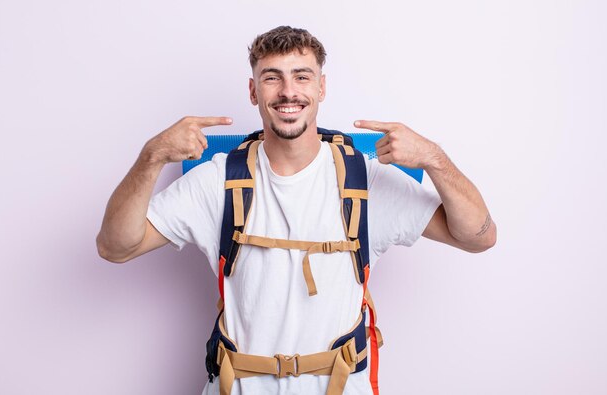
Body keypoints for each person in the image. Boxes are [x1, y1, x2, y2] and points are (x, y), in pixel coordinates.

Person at [96, 26, 496, 395]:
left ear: (321, 88)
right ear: (254, 91)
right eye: (272, 77)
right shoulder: (217, 179)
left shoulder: (364, 179)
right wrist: (151, 158)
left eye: (302, 76)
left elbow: (478, 236)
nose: (289, 91)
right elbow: (115, 247)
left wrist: (434, 159)